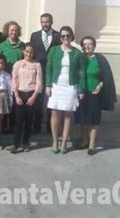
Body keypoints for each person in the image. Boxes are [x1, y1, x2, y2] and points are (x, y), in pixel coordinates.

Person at [46, 26, 85, 154]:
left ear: (71, 37)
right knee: (55, 113)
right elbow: (49, 68)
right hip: (56, 85)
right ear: (60, 38)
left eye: (67, 36)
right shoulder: (54, 50)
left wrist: (80, 90)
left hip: (71, 86)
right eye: (63, 36)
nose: (65, 38)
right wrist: (48, 85)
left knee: (68, 115)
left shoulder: (77, 53)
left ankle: (64, 143)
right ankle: (55, 141)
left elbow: (81, 72)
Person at [76, 36, 116, 155]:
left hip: (94, 93)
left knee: (94, 119)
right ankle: (84, 140)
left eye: (90, 44)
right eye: (85, 44)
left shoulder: (100, 59)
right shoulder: (79, 58)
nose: (87, 46)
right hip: (81, 92)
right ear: (82, 46)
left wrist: (100, 84)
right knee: (82, 117)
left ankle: (92, 144)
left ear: (94, 46)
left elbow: (107, 77)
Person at [6, 43, 43, 154]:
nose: (29, 54)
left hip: (32, 95)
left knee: (28, 121)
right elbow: (14, 80)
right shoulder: (18, 64)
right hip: (20, 94)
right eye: (27, 51)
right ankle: (15, 144)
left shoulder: (37, 65)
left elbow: (39, 82)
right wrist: (16, 96)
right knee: (18, 121)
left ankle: (26, 143)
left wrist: (33, 97)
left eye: (31, 52)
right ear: (23, 51)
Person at [30, 13, 60, 133]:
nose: (45, 24)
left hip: (53, 71)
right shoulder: (35, 35)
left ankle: (49, 126)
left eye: (47, 22)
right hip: (39, 71)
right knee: (38, 98)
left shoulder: (58, 36)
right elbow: (31, 52)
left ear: (51, 22)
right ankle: (36, 125)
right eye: (42, 22)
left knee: (51, 98)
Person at [0, 21, 25, 133]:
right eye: (11, 30)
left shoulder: (22, 46)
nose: (13, 32)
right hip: (5, 77)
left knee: (14, 101)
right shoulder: (2, 45)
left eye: (15, 30)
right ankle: (3, 126)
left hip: (18, 78)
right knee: (4, 100)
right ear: (7, 32)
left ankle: (13, 125)